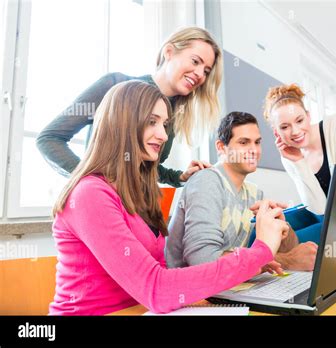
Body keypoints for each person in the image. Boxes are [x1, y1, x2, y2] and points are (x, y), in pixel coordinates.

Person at [49, 81, 288, 315]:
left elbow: (163, 276)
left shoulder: (139, 192)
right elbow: (156, 287)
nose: (163, 135)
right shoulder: (89, 194)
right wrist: (260, 250)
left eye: (165, 124)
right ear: (122, 123)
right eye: (152, 122)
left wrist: (252, 262)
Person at [37, 26, 222, 187]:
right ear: (169, 52)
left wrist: (179, 177)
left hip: (134, 211)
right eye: (195, 61)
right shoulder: (115, 85)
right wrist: (90, 182)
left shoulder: (171, 113)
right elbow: (49, 138)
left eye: (206, 71)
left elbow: (147, 169)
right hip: (101, 209)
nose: (199, 74)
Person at [166, 112, 318, 272]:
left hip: (230, 285)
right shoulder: (207, 181)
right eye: (244, 142)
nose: (254, 150)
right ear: (221, 147)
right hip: (191, 290)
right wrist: (287, 261)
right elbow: (202, 261)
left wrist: (281, 226)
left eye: (257, 142)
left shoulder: (254, 193)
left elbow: (289, 251)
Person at [263, 83, 336, 247]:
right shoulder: (289, 156)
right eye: (285, 127)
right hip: (324, 217)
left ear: (308, 116)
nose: (295, 131)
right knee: (271, 233)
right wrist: (298, 161)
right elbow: (317, 208)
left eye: (299, 120)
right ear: (277, 132)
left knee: (287, 242)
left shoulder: (335, 125)